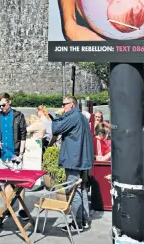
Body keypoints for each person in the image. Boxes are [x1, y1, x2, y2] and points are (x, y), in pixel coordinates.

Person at [52, 95, 94, 233]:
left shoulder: (73, 116)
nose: (63, 107)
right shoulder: (81, 116)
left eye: (65, 104)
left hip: (73, 160)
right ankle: (84, 221)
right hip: (82, 159)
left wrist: (57, 116)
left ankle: (77, 223)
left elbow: (55, 129)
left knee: (73, 191)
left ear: (72, 104)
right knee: (82, 190)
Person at [0, 93, 28, 220]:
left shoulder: (18, 115)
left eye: (3, 105)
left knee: (19, 182)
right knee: (6, 181)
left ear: (9, 102)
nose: (1, 107)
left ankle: (22, 209)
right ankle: (8, 206)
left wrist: (21, 154)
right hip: (2, 155)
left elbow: (23, 135)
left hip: (15, 153)